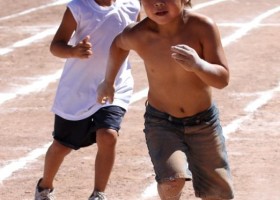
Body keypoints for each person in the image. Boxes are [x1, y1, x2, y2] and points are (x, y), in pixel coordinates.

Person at [97, 0, 234, 199]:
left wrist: (198, 65)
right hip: (162, 122)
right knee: (172, 181)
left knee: (218, 194)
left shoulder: (202, 27)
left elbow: (222, 80)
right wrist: (108, 81)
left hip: (203, 123)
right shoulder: (138, 34)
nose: (158, 3)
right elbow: (118, 45)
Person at [34, 0, 140, 200]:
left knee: (108, 135)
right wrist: (73, 51)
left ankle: (98, 194)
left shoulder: (132, 6)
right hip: (77, 89)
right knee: (62, 145)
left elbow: (144, 37)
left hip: (116, 83)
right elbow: (56, 46)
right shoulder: (78, 8)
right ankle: (44, 187)